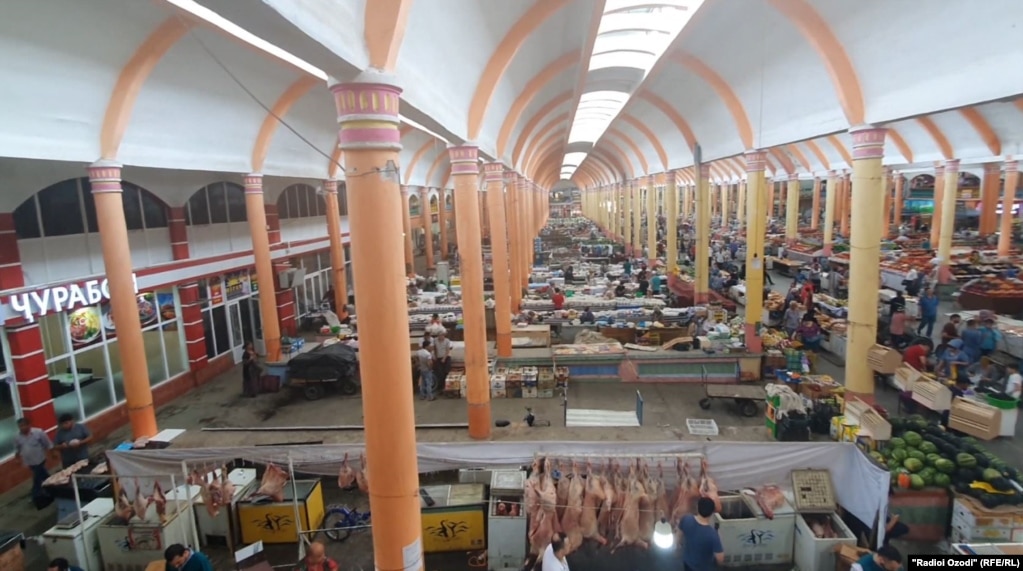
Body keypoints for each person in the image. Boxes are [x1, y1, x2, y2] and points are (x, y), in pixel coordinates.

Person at [679, 497, 724, 571]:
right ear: (711, 513)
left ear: (697, 507)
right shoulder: (713, 535)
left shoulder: (686, 519)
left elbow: (679, 536)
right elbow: (720, 558)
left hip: (687, 563)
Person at [15, 418, 53, 501]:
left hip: (39, 459)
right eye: (20, 426)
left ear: (29, 425)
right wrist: (17, 458)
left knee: (37, 477)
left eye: (23, 426)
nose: (22, 428)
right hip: (29, 461)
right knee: (44, 476)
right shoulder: (17, 436)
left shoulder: (38, 432)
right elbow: (18, 448)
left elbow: (47, 444)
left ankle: (35, 494)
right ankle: (53, 487)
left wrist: (52, 454)